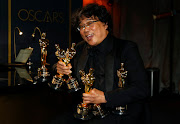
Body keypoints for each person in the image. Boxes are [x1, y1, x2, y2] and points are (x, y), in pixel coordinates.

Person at [56, 3, 150, 124]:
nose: (85, 30)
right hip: (86, 112)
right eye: (81, 26)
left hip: (119, 112)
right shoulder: (79, 49)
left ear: (105, 24)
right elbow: (62, 67)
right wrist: (59, 68)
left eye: (90, 23)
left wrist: (105, 97)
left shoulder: (126, 48)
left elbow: (142, 88)